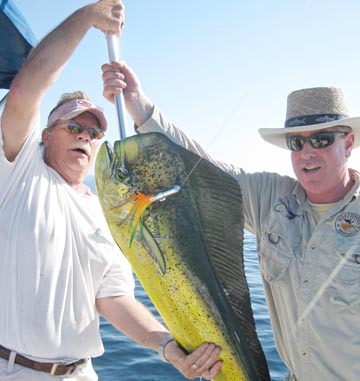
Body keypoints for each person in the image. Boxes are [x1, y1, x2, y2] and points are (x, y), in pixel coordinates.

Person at [0, 2, 222, 380]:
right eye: (73, 127)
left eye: (93, 133)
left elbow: (114, 298)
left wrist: (168, 347)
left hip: (81, 373)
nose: (84, 137)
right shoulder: (19, 171)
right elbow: (25, 89)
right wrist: (88, 18)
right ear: (45, 135)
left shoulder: (110, 213)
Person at [102, 60, 360, 381]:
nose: (307, 152)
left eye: (321, 140)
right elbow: (202, 168)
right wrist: (139, 106)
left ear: (347, 143)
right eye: (297, 142)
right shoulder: (271, 197)